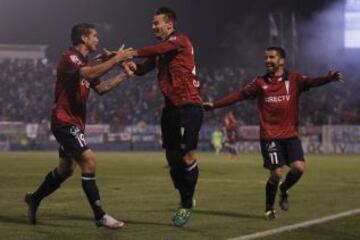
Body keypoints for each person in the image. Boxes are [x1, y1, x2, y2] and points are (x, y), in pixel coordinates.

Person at [203, 46, 343, 220]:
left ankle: (283, 190)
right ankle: (269, 208)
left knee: (298, 169)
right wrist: (215, 104)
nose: (267, 60)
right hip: (270, 135)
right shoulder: (260, 82)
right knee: (276, 173)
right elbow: (239, 95)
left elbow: (312, 82)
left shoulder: (294, 79)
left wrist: (328, 78)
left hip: (290, 135)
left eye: (272, 57)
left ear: (282, 60)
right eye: (266, 57)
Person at [24, 23, 134, 229]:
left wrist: (123, 75)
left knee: (66, 170)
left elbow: (101, 87)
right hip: (64, 120)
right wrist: (117, 59)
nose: (98, 40)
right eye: (95, 36)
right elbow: (90, 74)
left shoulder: (85, 62)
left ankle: (34, 198)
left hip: (75, 122)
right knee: (89, 162)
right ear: (83, 38)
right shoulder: (70, 57)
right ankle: (99, 215)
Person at [124, 7, 203, 227]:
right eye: (152, 23)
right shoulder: (160, 52)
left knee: (186, 155)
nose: (153, 27)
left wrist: (131, 52)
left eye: (157, 23)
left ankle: (186, 204)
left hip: (189, 105)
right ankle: (185, 195)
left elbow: (157, 48)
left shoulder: (179, 40)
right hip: (170, 107)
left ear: (170, 24)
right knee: (171, 157)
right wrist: (123, 61)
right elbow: (141, 70)